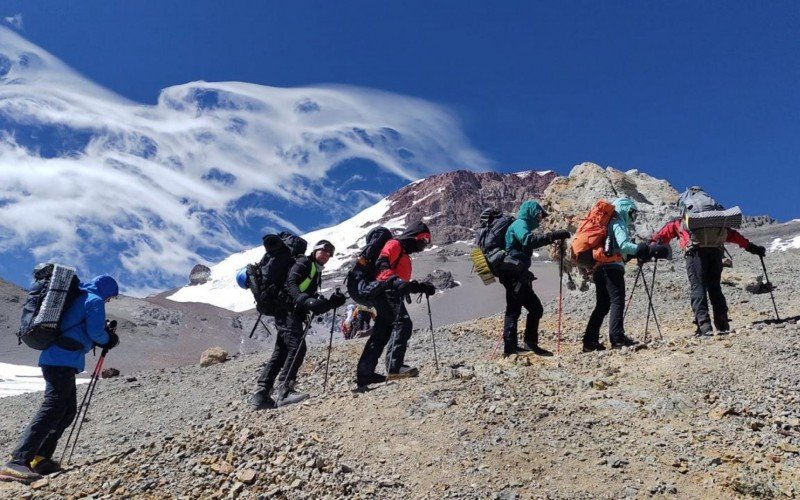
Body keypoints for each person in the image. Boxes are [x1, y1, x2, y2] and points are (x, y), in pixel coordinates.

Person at [0, 275, 120, 484]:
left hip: (59, 359)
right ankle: (18, 460)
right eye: (111, 296)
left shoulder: (82, 297)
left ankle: (40, 458)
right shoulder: (94, 300)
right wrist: (109, 339)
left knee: (66, 410)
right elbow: (95, 331)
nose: (109, 300)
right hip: (61, 360)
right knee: (54, 406)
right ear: (107, 290)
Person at [250, 240, 345, 409]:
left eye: (330, 253)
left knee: (280, 353)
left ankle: (260, 395)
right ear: (315, 250)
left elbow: (310, 301)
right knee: (297, 348)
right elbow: (291, 282)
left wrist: (330, 303)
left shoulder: (315, 271)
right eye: (323, 250)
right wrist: (304, 300)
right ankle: (284, 391)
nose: (326, 254)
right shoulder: (304, 262)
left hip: (288, 312)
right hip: (287, 311)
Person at [651, 217, 765, 336]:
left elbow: (663, 234)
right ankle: (723, 325)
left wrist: (651, 245)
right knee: (715, 287)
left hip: (695, 253)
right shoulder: (714, 220)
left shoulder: (682, 221)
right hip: (716, 253)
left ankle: (704, 326)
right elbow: (731, 234)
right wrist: (752, 248)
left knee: (698, 286)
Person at [356, 222, 436, 386]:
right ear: (415, 236)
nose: (424, 246)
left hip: (386, 292)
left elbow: (401, 283)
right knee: (403, 323)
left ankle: (365, 374)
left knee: (382, 332)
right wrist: (396, 282)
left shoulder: (404, 253)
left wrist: (420, 287)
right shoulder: (394, 244)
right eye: (424, 240)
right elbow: (382, 264)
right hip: (386, 292)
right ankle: (394, 367)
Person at [582, 198, 660, 352]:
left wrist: (631, 254)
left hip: (599, 268)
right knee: (617, 301)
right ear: (625, 209)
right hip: (612, 269)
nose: (633, 217)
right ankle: (617, 338)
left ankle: (589, 341)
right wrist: (641, 248)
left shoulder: (607, 223)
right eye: (632, 212)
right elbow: (623, 245)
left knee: (602, 306)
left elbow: (615, 248)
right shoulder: (618, 222)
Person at [501, 200, 570, 356]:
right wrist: (552, 236)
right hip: (513, 275)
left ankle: (528, 343)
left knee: (535, 308)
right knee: (514, 310)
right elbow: (528, 240)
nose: (540, 218)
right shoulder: (520, 224)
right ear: (531, 212)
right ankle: (510, 349)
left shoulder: (521, 224)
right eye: (539, 214)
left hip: (518, 274)